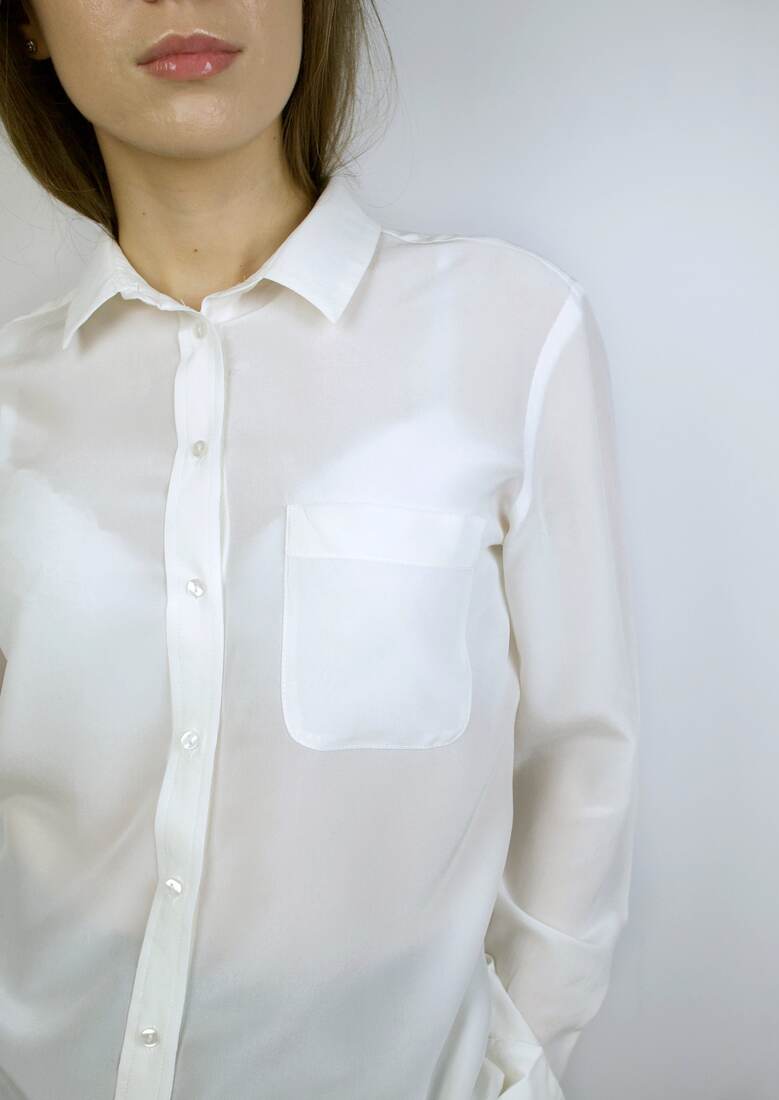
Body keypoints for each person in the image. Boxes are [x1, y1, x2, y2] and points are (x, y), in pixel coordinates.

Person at [0, 3, 640, 1099]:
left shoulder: (507, 332)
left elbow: (579, 751)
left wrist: (514, 1064)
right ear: (29, 25)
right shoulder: (13, 403)